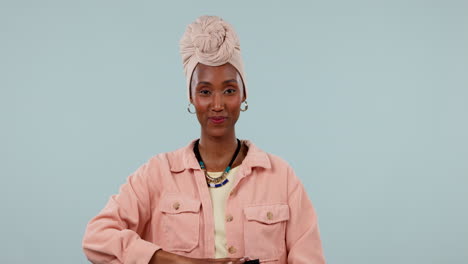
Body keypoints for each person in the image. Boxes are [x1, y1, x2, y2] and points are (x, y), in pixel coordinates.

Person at [82, 15, 326, 264]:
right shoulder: (157, 174)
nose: (217, 105)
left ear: (244, 95)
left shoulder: (281, 177)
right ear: (191, 97)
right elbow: (96, 238)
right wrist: (177, 261)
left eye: (229, 90)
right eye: (205, 91)